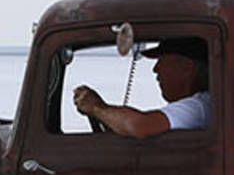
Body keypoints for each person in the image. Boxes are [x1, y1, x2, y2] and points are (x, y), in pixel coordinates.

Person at [71, 38, 211, 138]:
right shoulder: (203, 104)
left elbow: (140, 125)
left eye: (161, 61)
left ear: (186, 67)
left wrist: (97, 108)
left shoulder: (199, 107)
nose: (155, 69)